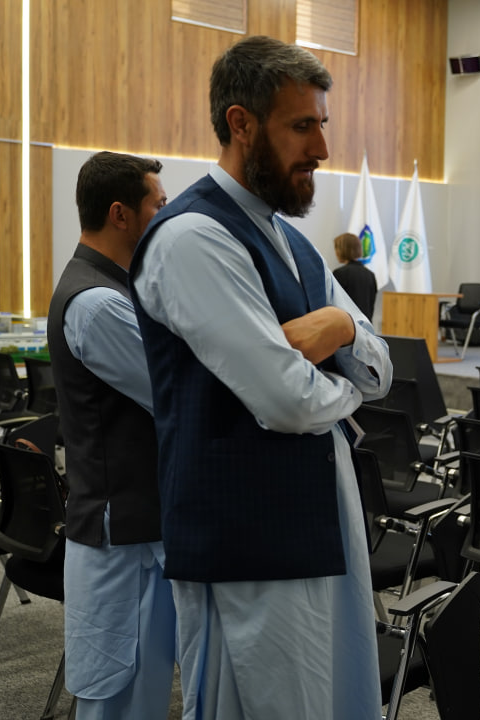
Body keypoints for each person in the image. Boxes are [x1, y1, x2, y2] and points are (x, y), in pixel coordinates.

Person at [129, 36, 391, 719]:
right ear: (241, 123)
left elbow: (381, 366)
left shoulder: (293, 242)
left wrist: (338, 327)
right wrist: (347, 386)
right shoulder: (193, 237)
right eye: (302, 126)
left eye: (321, 124)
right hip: (244, 546)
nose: (322, 148)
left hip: (312, 523)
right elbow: (287, 400)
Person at [48, 151, 176, 720]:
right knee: (118, 698)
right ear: (121, 214)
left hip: (137, 526)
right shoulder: (98, 303)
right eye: (159, 205)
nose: (167, 217)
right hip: (120, 536)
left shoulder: (117, 287)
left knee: (141, 690)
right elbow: (176, 395)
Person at [332, 231, 376, 317]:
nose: (335, 253)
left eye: (336, 248)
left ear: (342, 250)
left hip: (347, 323)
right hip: (366, 323)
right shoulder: (370, 275)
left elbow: (335, 305)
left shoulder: (340, 274)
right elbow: (370, 306)